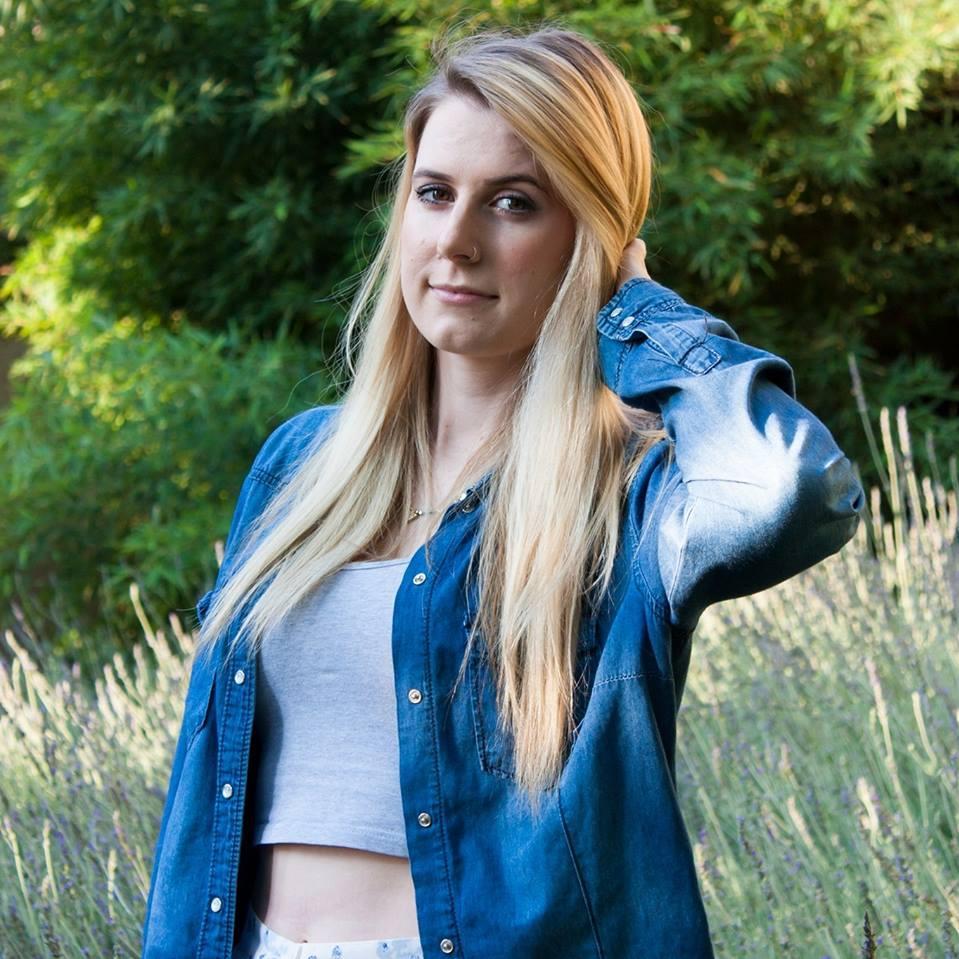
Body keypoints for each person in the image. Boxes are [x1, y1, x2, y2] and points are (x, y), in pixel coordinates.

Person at [141, 23, 865, 959]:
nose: (456, 241)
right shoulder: (298, 467)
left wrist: (639, 313)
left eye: (513, 204)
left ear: (588, 239)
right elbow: (205, 795)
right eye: (433, 192)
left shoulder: (631, 495)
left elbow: (794, 490)